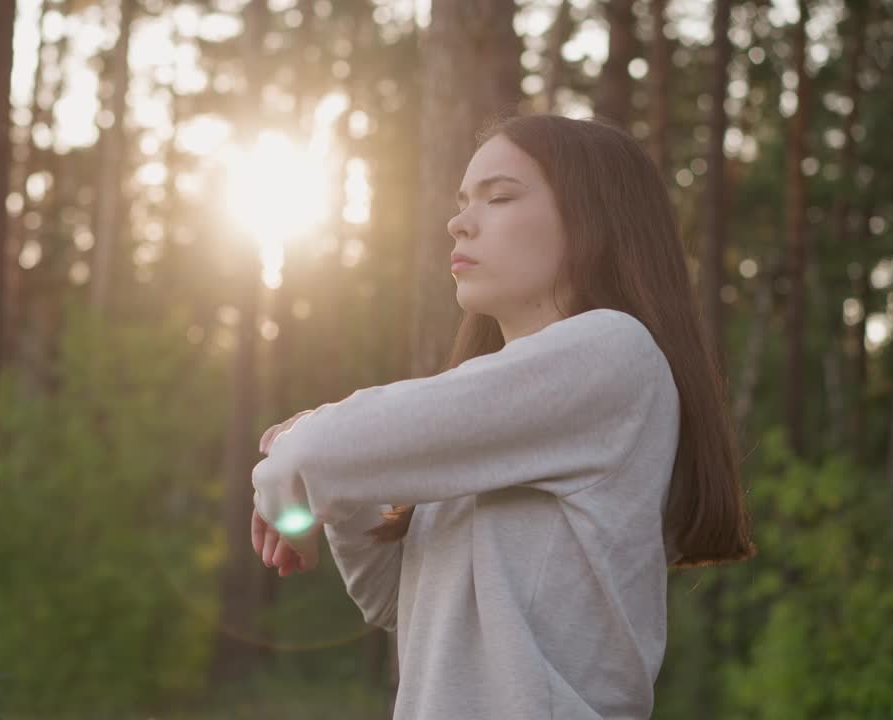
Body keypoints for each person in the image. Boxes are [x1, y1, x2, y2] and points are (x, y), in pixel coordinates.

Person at [249, 112, 755, 719]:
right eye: (463, 201)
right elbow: (389, 599)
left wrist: (305, 455)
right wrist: (326, 490)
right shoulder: (501, 418)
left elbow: (315, 454)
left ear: (592, 219)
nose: (459, 222)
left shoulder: (610, 353)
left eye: (499, 197)